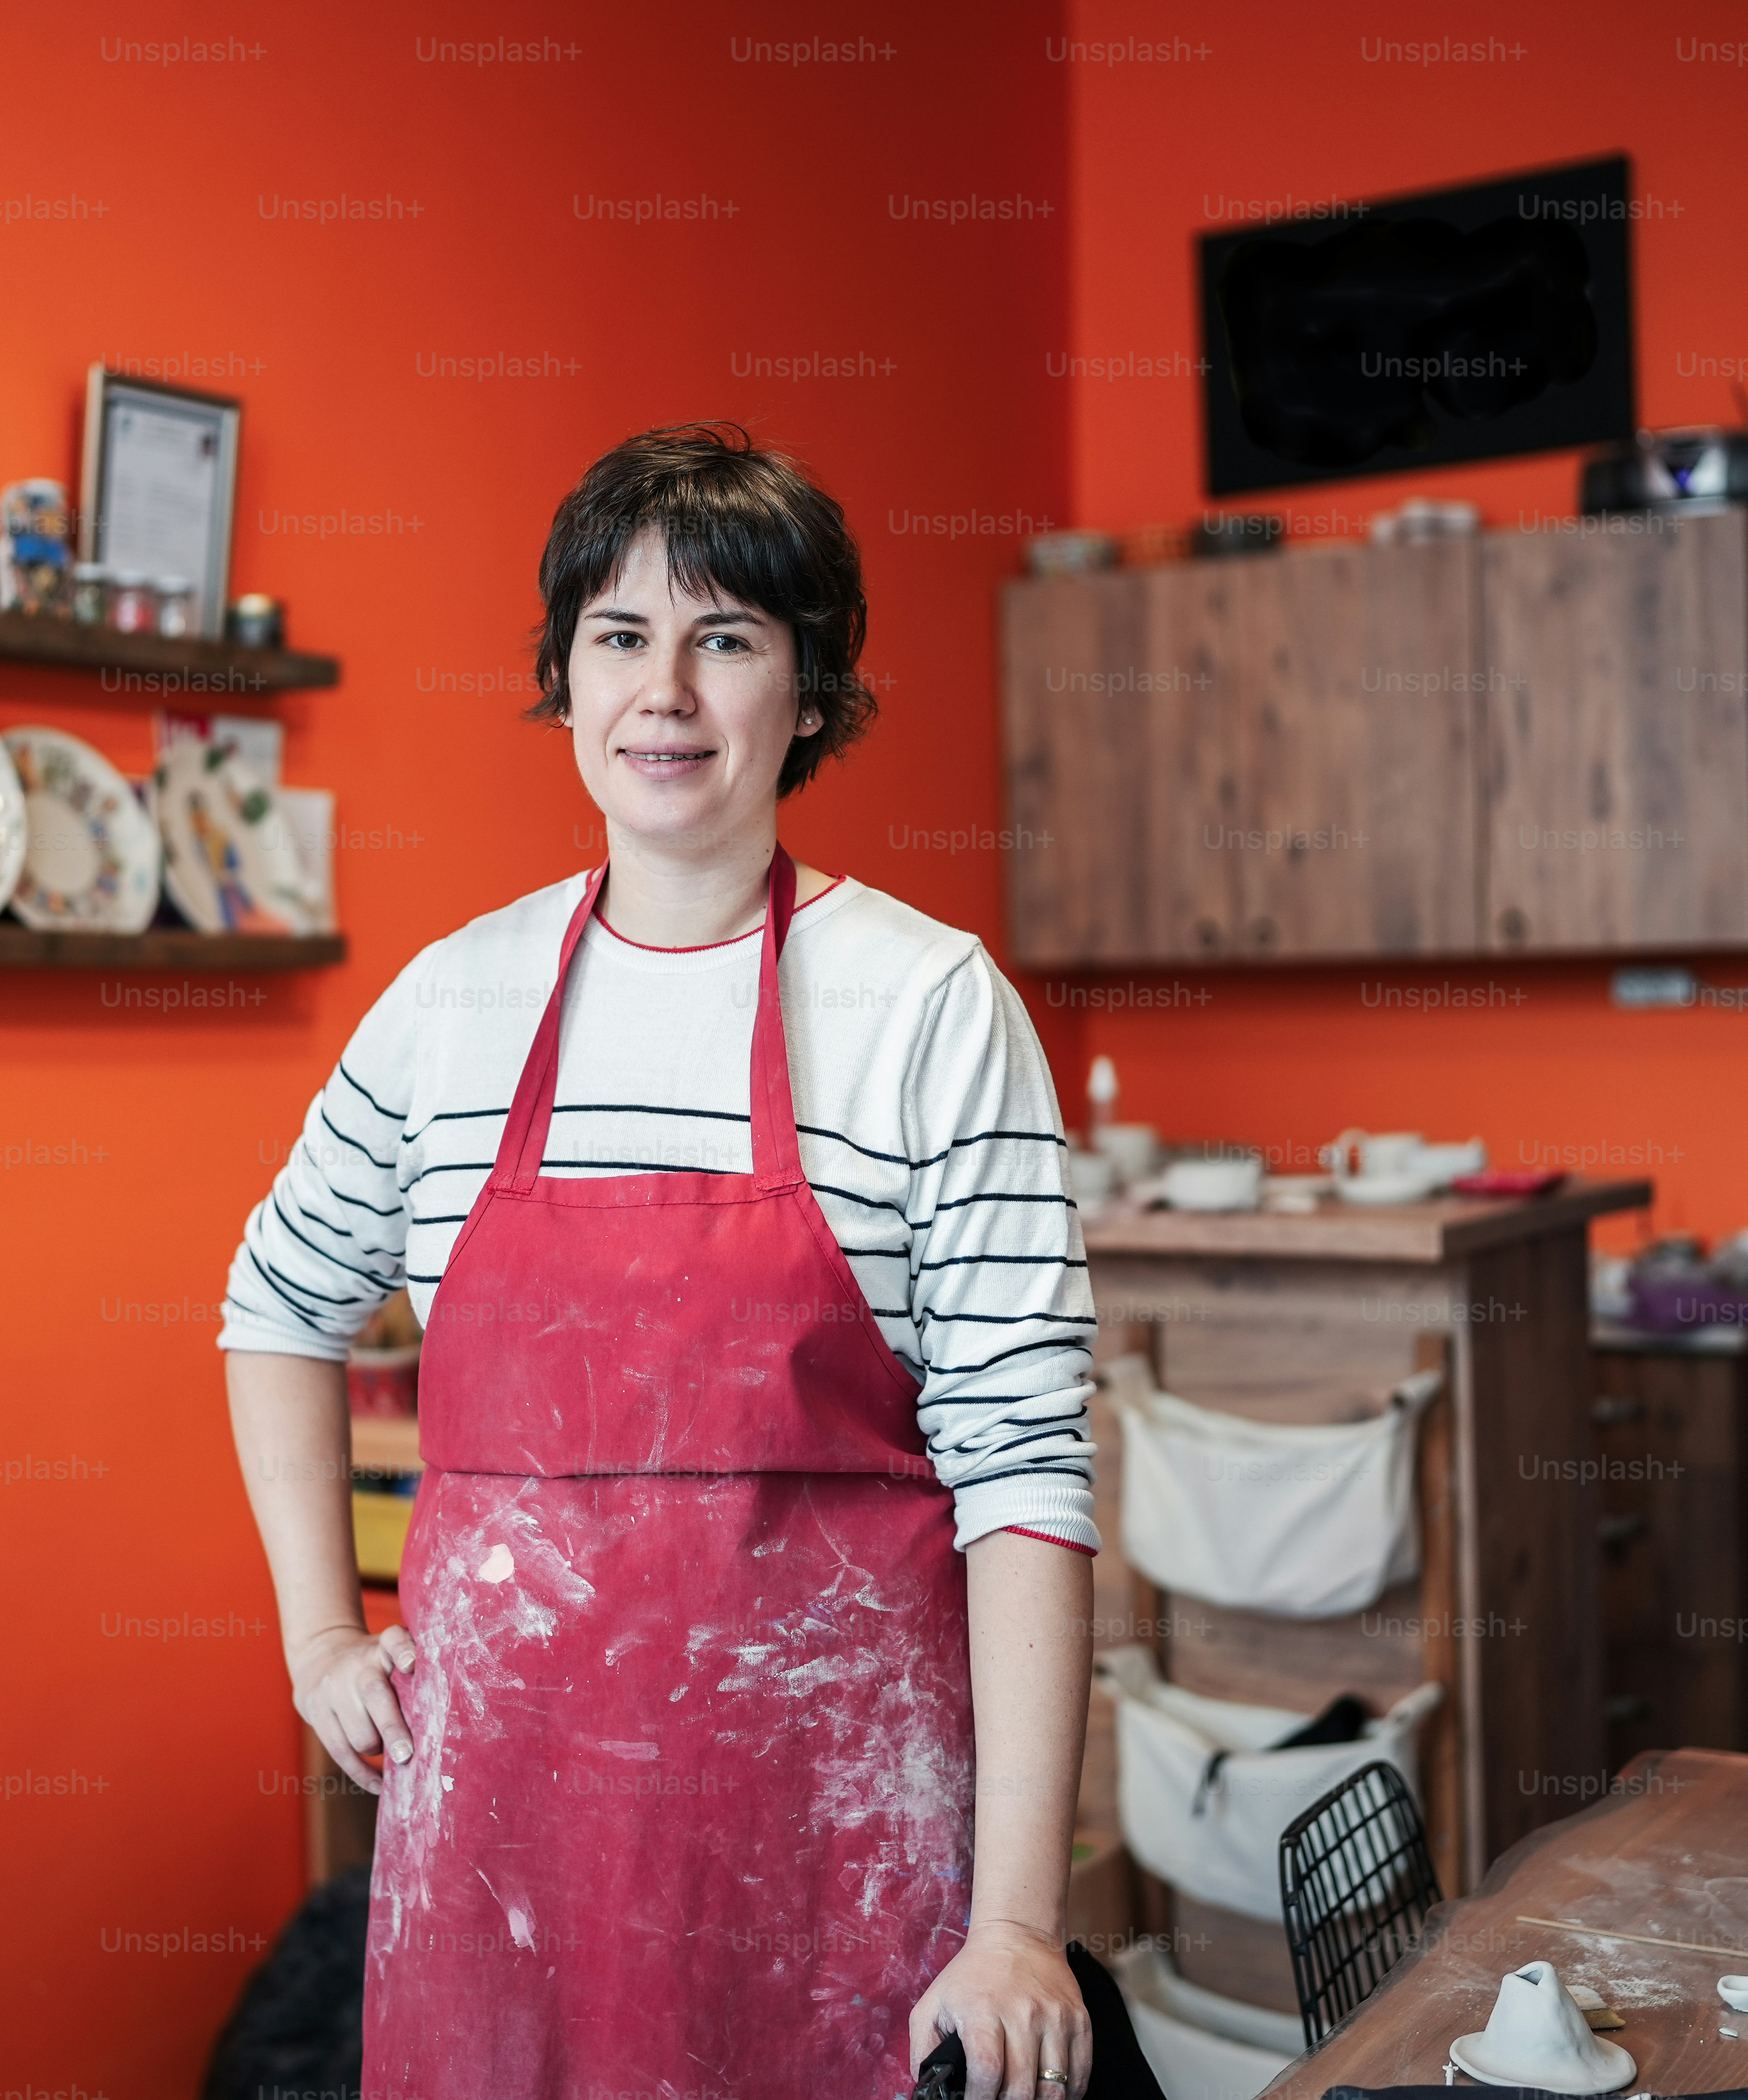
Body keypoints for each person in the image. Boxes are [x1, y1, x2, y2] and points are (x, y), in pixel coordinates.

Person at [222, 423, 1099, 2098]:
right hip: (497, 1849)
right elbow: (277, 1300)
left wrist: (1014, 1923)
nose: (667, 694)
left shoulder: (929, 1004)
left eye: (729, 639)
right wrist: (320, 1634)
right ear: (564, 676)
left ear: (813, 692)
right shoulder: (451, 1003)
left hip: (841, 1843)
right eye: (620, 637)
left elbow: (1027, 1469)